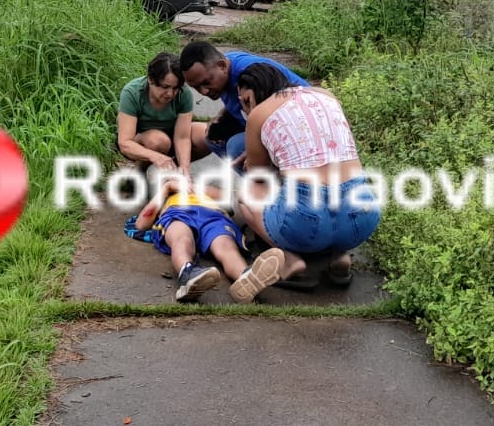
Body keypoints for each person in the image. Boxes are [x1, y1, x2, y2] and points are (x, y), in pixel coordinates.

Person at [225, 62, 379, 303]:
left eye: (246, 100)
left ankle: (290, 260)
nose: (244, 109)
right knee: (333, 203)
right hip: (362, 214)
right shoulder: (325, 95)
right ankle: (339, 256)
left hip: (306, 219)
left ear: (258, 90)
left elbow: (260, 179)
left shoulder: (259, 113)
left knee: (246, 193)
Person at [178, 41, 309, 166]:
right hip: (268, 127)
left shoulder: (252, 76)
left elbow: (279, 114)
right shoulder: (221, 68)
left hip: (300, 129)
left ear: (222, 66)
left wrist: (255, 152)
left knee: (236, 147)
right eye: (196, 87)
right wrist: (223, 115)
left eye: (206, 82)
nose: (204, 91)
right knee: (215, 137)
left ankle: (270, 184)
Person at [132, 172, 254, 302]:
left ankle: (246, 279)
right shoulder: (166, 198)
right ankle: (188, 274)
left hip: (213, 216)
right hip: (178, 213)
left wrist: (190, 187)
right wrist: (166, 188)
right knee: (182, 239)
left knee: (225, 246)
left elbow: (229, 197)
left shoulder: (204, 190)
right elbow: (141, 224)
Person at [116, 51, 194, 173]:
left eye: (175, 88)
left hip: (172, 137)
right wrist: (155, 156)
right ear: (151, 80)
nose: (170, 94)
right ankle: (139, 171)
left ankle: (177, 173)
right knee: (158, 141)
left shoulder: (184, 94)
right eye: (165, 87)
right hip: (143, 141)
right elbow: (124, 143)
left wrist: (185, 168)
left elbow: (182, 138)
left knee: (205, 133)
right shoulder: (132, 92)